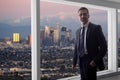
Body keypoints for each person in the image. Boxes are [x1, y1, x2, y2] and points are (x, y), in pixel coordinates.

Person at [72, 7, 107, 80]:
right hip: (81, 61)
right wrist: (74, 62)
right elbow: (76, 47)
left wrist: (95, 60)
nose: (82, 16)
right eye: (80, 15)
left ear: (88, 15)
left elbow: (104, 47)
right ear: (79, 17)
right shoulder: (78, 31)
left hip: (91, 61)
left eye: (84, 14)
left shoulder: (96, 28)